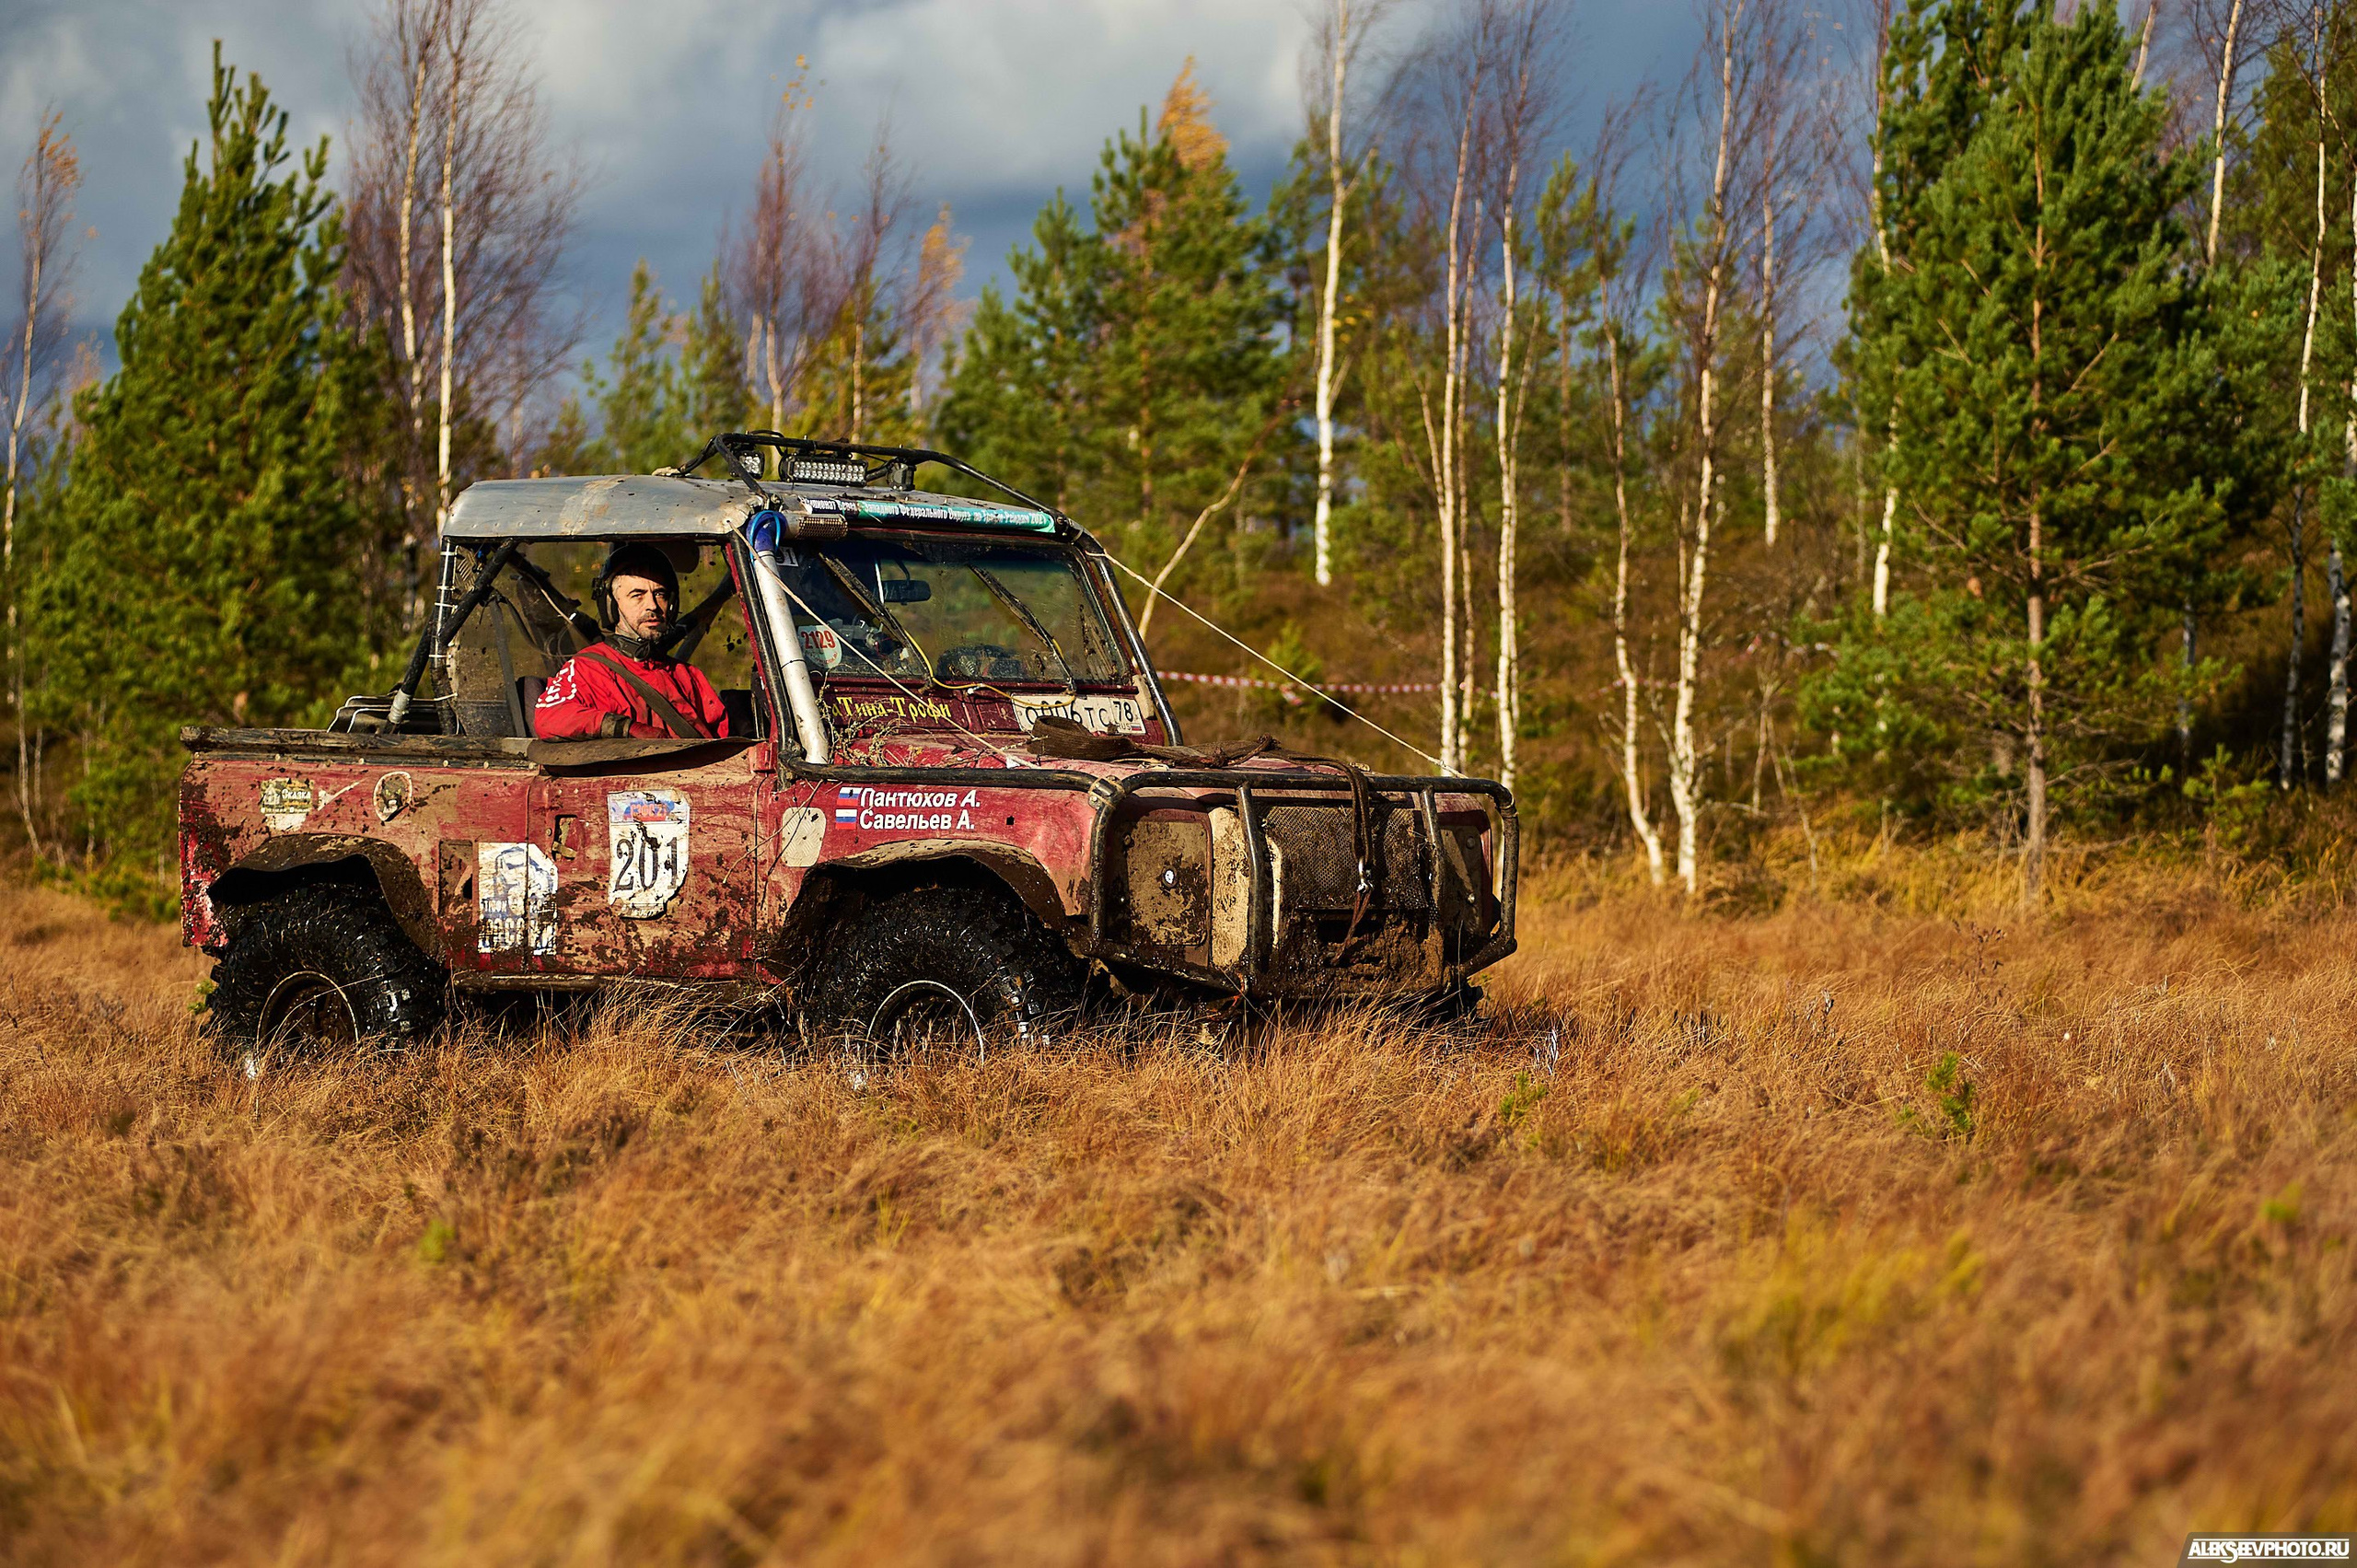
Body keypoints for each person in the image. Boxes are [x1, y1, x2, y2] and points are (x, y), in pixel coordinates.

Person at [533, 541, 731, 741]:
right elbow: (549, 719)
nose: (652, 605)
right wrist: (625, 728)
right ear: (611, 605)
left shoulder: (688, 676)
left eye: (660, 594)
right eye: (637, 595)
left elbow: (722, 740)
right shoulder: (588, 669)